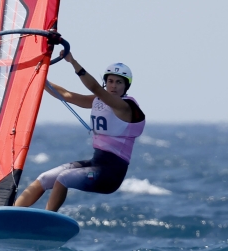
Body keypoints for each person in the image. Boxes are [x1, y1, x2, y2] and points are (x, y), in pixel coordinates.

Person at [14, 51, 145, 212]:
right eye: (110, 81)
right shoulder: (97, 101)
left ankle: (47, 221)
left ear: (126, 86)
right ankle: (10, 213)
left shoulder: (125, 107)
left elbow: (95, 87)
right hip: (96, 163)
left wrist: (72, 61)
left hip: (110, 174)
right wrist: (39, 78)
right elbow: (65, 95)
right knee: (45, 178)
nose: (113, 85)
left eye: (119, 82)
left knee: (64, 178)